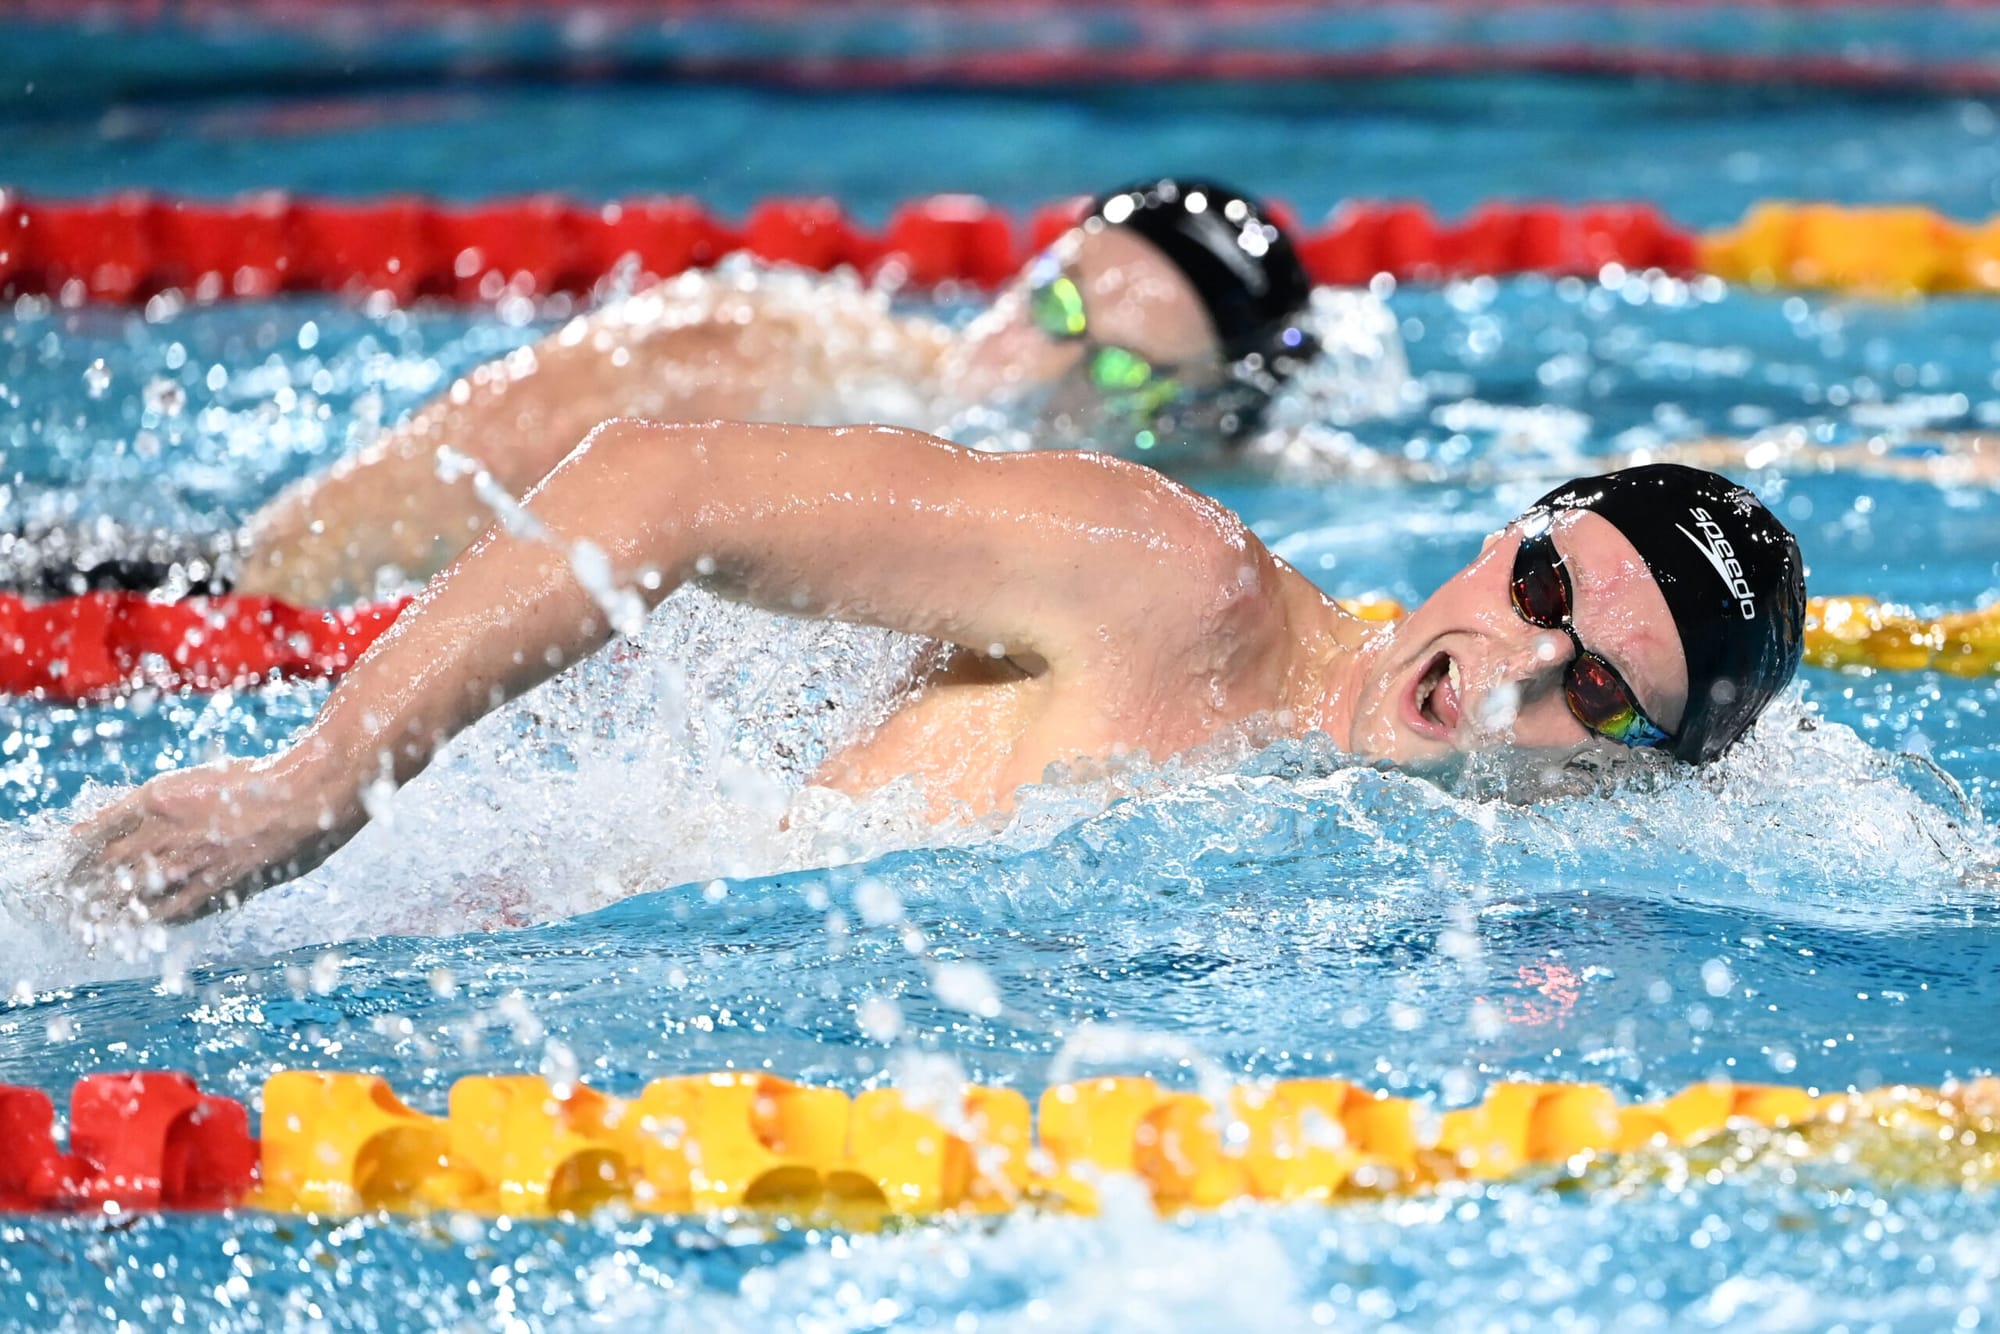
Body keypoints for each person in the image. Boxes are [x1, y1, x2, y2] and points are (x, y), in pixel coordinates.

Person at [63, 408, 1805, 925]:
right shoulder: (1173, 587)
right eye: (1545, 578)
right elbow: (661, 485)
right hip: (412, 921)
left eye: (1595, 691)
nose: (1510, 664)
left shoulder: (1521, 876)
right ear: (1509, 528)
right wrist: (318, 785)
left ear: (1636, 768)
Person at [14, 177, 1325, 608]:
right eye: (1055, 305)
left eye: (1106, 366)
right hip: (218, 596)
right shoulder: (769, 350)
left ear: (1188, 419)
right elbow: (309, 554)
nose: (1040, 360)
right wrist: (273, 592)